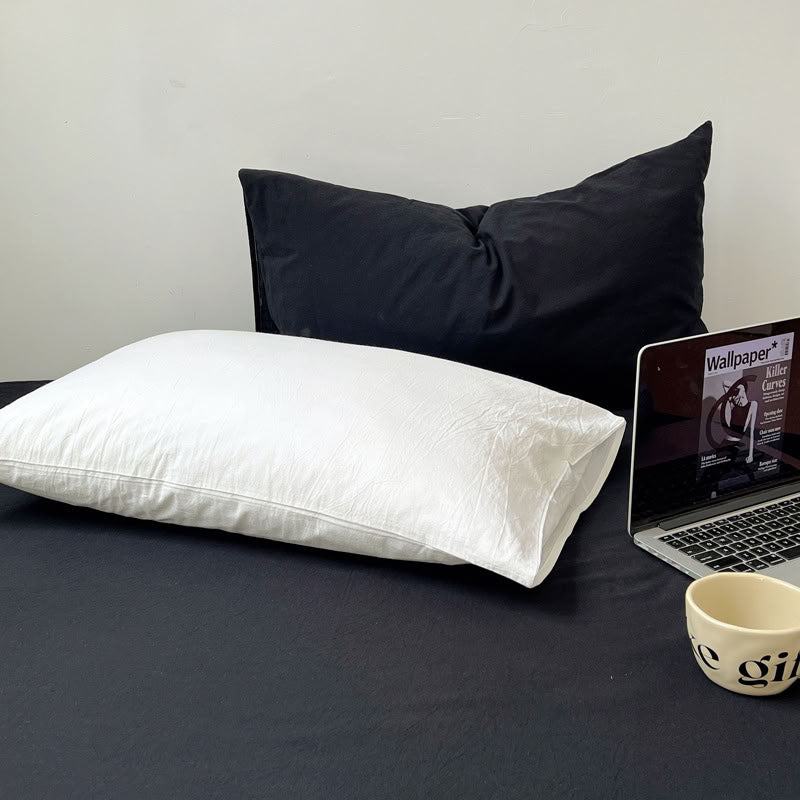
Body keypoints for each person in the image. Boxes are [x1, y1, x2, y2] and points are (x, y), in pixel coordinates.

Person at [722, 378, 757, 464]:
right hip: (725, 442)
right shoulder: (733, 402)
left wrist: (751, 455)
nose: (736, 396)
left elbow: (752, 432)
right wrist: (740, 388)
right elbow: (724, 382)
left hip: (734, 445)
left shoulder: (753, 404)